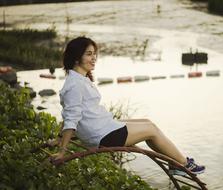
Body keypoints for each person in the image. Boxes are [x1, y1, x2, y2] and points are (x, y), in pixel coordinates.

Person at [51, 37, 205, 175]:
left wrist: (59, 138)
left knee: (147, 122)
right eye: (89, 54)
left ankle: (175, 163)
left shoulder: (78, 79)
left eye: (94, 54)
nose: (94, 58)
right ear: (77, 58)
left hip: (102, 127)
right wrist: (62, 151)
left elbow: (69, 112)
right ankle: (184, 164)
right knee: (151, 130)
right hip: (101, 136)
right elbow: (71, 117)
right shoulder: (75, 85)